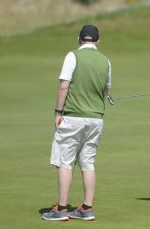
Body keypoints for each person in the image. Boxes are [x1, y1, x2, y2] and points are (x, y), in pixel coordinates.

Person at [42, 25, 111, 221]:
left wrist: (58, 112)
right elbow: (105, 91)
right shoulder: (106, 61)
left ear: (78, 38)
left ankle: (62, 209)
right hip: (96, 118)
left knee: (65, 161)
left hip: (73, 117)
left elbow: (64, 86)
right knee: (88, 162)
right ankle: (87, 208)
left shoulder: (72, 56)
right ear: (97, 41)